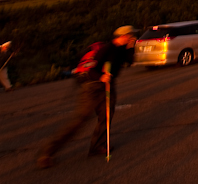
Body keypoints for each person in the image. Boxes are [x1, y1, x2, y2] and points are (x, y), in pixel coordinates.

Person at [37, 26, 136, 168]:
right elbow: (90, 70)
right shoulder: (106, 49)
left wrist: (130, 48)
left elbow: (130, 61)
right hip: (92, 86)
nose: (133, 37)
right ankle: (46, 153)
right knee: (80, 120)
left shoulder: (121, 49)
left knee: (106, 115)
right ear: (124, 35)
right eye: (131, 36)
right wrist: (101, 76)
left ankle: (97, 146)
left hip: (107, 85)